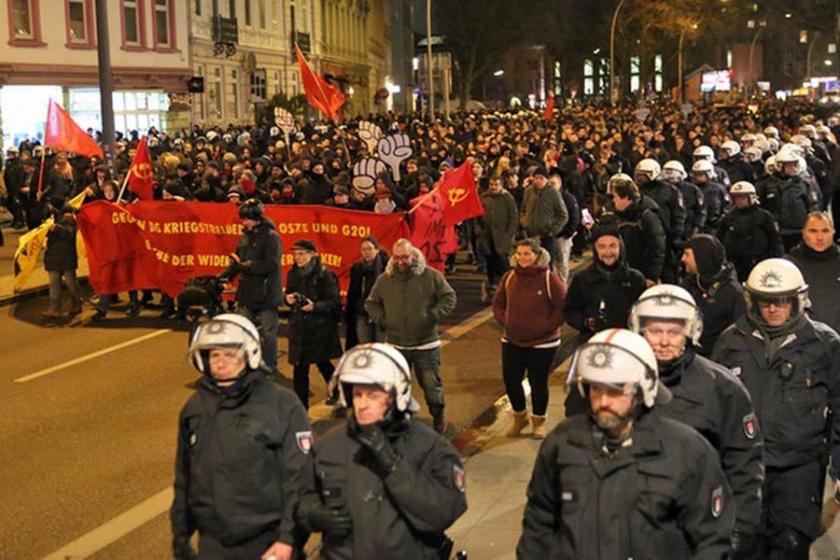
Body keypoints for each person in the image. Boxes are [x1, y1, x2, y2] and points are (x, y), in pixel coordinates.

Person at [518, 328, 734, 558]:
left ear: (643, 389)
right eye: (595, 389)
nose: (602, 401)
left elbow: (712, 539)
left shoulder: (687, 451)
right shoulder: (562, 443)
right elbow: (539, 521)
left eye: (615, 391)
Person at [713, 258, 840, 559]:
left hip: (800, 468)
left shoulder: (825, 345)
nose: (773, 309)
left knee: (791, 546)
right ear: (752, 301)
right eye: (765, 302)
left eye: (781, 301)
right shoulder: (731, 342)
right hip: (744, 469)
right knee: (744, 547)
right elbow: (714, 406)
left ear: (798, 301)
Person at [627, 285, 764, 558]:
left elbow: (744, 466)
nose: (664, 341)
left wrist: (736, 533)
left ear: (691, 332)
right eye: (655, 331)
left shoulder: (723, 387)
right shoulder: (614, 384)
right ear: (639, 330)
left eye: (674, 332)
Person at [296, 343, 468, 559]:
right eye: (358, 395)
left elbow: (444, 512)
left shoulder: (431, 447)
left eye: (373, 396)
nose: (362, 405)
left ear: (398, 395)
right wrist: (313, 514)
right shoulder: (329, 446)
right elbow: (303, 495)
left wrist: (392, 466)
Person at [171, 314, 311, 560]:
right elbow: (185, 475)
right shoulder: (195, 408)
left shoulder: (282, 404)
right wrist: (180, 533)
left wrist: (289, 538)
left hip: (268, 543)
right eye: (214, 355)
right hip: (214, 543)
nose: (221, 363)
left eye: (229, 354)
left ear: (249, 355)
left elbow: (300, 479)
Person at [365, 238, 457, 433]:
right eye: (397, 257)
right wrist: (383, 320)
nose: (401, 262)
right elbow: (371, 303)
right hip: (396, 345)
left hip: (426, 345)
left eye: (405, 257)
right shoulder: (384, 280)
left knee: (432, 387)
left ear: (414, 255)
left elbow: (449, 297)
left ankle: (438, 414)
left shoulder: (431, 276)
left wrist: (433, 315)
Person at [491, 238, 566, 438]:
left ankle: (538, 421)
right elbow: (498, 303)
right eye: (519, 253)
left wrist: (546, 327)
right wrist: (505, 320)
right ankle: (519, 416)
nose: (522, 257)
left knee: (538, 383)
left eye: (527, 253)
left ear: (537, 256)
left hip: (543, 343)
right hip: (512, 339)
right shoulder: (509, 277)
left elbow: (563, 307)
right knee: (511, 380)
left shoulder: (550, 279)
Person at [221, 199, 283, 372]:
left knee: (268, 333)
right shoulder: (245, 237)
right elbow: (238, 260)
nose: (244, 222)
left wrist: (245, 266)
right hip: (247, 291)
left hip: (266, 293)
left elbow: (271, 264)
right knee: (244, 330)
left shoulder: (271, 237)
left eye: (247, 219)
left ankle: (270, 365)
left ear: (256, 218)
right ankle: (248, 362)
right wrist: (226, 275)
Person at [284, 239, 343, 408]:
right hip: (299, 327)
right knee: (299, 369)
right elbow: (288, 293)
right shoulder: (293, 273)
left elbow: (334, 301)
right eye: (295, 254)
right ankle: (301, 409)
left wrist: (315, 306)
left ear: (312, 254)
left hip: (319, 328)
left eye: (301, 254)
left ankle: (338, 390)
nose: (298, 258)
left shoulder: (325, 274)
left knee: (323, 362)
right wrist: (287, 299)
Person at [563, 224, 645, 342]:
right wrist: (585, 322)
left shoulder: (635, 279)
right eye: (602, 247)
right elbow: (570, 311)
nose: (608, 252)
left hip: (627, 342)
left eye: (612, 246)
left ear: (620, 248)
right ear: (595, 250)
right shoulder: (582, 279)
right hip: (593, 342)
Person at [681, 234, 745, 356]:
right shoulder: (689, 284)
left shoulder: (733, 292)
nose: (683, 259)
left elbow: (739, 333)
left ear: (701, 257)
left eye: (687, 254)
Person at [607, 173, 666, 286]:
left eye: (615, 197)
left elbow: (658, 248)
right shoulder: (622, 214)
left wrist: (652, 276)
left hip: (643, 275)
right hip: (625, 272)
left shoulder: (647, 216)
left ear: (627, 198)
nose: (613, 201)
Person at [717, 181, 784, 281]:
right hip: (735, 263)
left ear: (751, 198)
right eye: (736, 198)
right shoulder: (728, 217)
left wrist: (774, 259)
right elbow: (719, 239)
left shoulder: (764, 216)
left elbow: (775, 240)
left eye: (742, 197)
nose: (739, 201)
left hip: (758, 262)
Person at [786, 211, 840, 333]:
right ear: (803, 233)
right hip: (804, 342)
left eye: (825, 231)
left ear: (833, 232)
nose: (820, 237)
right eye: (813, 231)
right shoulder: (788, 267)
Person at [477, 174, 518, 297]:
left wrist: (509, 234)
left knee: (502, 260)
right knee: (490, 260)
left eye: (496, 185)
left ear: (501, 185)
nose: (493, 187)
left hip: (502, 236)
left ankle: (507, 284)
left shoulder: (507, 199)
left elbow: (513, 218)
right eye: (491, 184)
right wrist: (479, 231)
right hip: (487, 235)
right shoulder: (484, 198)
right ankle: (492, 284)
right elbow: (477, 216)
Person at [344, 236, 389, 348]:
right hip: (362, 313)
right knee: (365, 349)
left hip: (382, 314)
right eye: (363, 249)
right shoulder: (357, 268)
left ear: (377, 249)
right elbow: (353, 293)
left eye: (369, 249)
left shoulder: (387, 268)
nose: (366, 252)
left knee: (381, 348)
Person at [42, 197, 83, 320]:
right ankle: (54, 309)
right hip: (54, 255)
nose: (48, 207)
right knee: (54, 283)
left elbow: (69, 234)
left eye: (50, 205)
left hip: (66, 256)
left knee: (71, 282)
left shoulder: (68, 217)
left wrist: (56, 229)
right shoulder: (51, 217)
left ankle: (77, 304)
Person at [519, 166, 568, 265]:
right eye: (536, 178)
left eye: (541, 178)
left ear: (546, 179)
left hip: (546, 236)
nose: (538, 181)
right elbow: (523, 209)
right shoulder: (528, 192)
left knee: (546, 264)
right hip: (530, 235)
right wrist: (524, 222)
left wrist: (552, 229)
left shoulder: (553, 193)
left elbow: (563, 215)